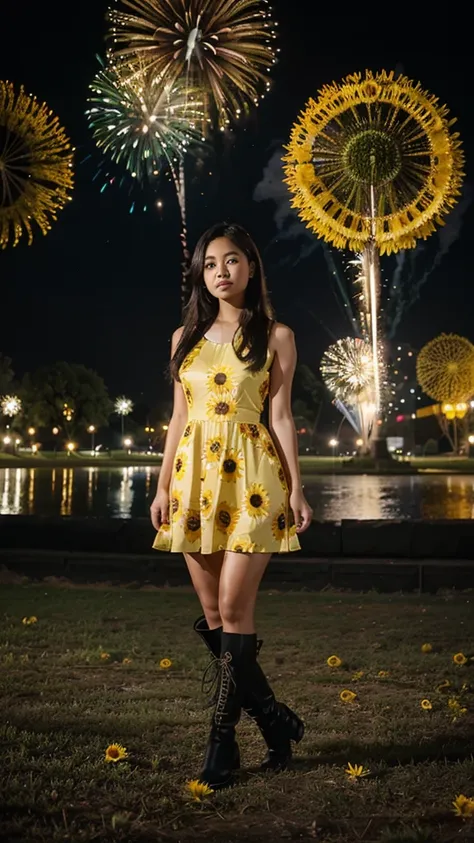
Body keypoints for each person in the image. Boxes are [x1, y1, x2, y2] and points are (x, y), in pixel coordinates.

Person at [150, 222, 313, 790]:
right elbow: (178, 416)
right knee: (216, 619)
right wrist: (163, 484)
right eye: (212, 263)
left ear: (251, 267)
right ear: (201, 272)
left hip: (253, 478)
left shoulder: (277, 335)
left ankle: (221, 743)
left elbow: (283, 418)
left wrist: (295, 487)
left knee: (234, 609)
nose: (222, 272)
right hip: (193, 479)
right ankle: (274, 722)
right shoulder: (183, 337)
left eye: (234, 261)